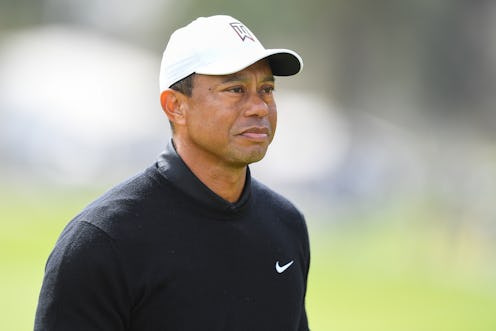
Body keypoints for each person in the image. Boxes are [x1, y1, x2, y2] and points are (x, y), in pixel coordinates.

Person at [34, 14, 310, 330]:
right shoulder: (102, 242)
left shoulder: (286, 225)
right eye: (235, 89)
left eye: (267, 89)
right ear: (175, 106)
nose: (259, 107)